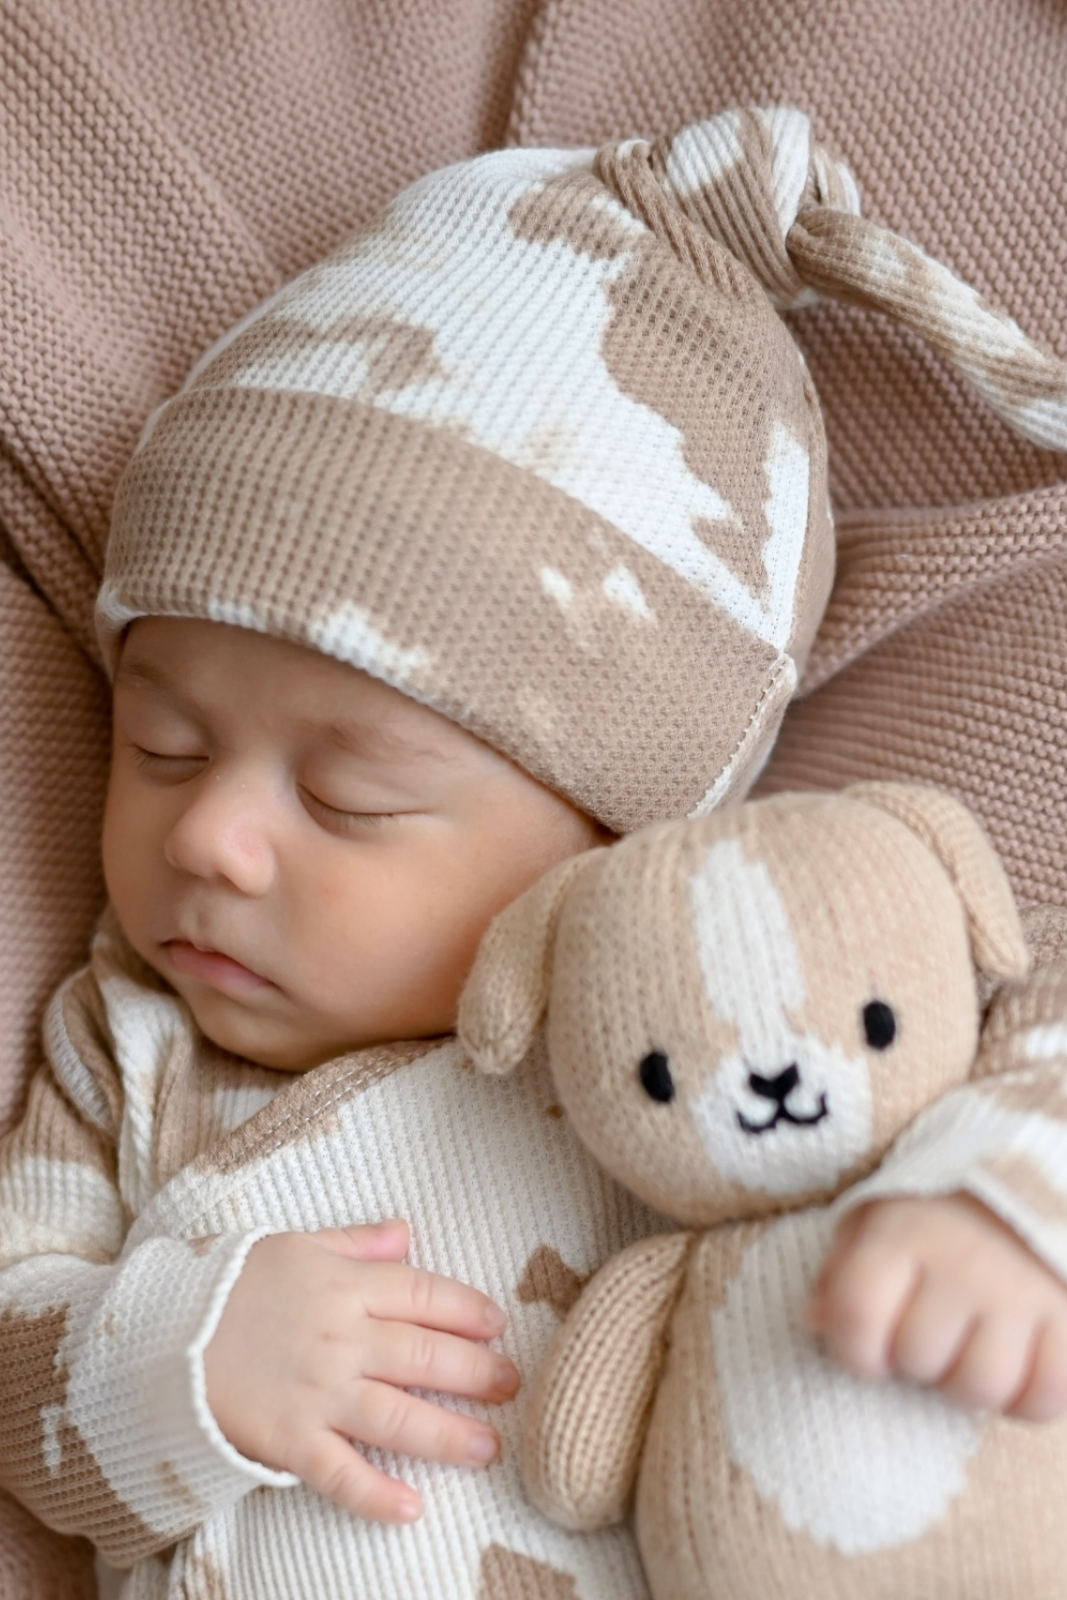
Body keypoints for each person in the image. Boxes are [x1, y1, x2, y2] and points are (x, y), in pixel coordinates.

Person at [2, 106, 1067, 1599]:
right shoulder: (125, 1045)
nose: (209, 836)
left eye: (349, 796)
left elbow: (1024, 1009)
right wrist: (173, 1357)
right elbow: (15, 1352)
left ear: (608, 831)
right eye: (159, 743)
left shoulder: (702, 977)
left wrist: (991, 1206)